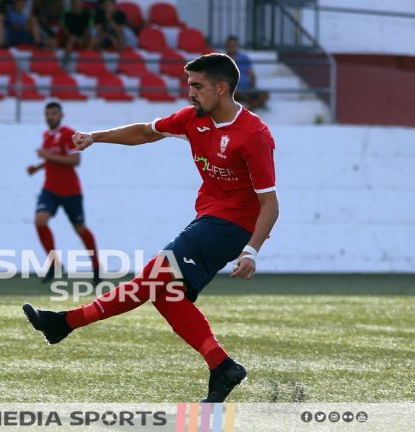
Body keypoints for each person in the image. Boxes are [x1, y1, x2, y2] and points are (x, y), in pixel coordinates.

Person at [23, 53, 279, 403]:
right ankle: (222, 365)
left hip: (231, 226)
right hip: (208, 219)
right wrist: (96, 137)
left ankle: (65, 323)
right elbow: (145, 131)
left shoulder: (254, 135)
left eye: (197, 86)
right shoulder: (193, 119)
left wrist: (251, 251)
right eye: (189, 85)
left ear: (221, 89)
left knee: (151, 277)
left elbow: (270, 204)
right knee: (163, 293)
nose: (189, 92)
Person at [27, 102, 101, 286]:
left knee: (80, 229)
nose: (50, 116)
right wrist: (37, 167)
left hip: (70, 191)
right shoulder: (47, 135)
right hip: (50, 189)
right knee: (40, 221)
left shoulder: (69, 134)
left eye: (54, 113)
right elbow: (53, 158)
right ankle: (54, 263)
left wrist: (45, 156)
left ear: (61, 115)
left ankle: (96, 268)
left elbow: (75, 160)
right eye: (48, 114)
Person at [225, 35, 269, 111]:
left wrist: (252, 87)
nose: (233, 47)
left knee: (265, 94)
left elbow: (252, 74)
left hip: (247, 89)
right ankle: (252, 105)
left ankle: (249, 107)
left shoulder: (244, 58)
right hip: (234, 91)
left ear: (237, 46)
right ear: (227, 46)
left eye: (235, 45)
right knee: (232, 95)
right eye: (231, 45)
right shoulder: (222, 59)